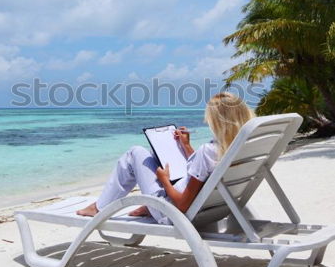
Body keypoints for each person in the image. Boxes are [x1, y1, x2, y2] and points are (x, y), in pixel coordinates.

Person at [76, 92, 255, 223]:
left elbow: (182, 205)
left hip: (171, 212)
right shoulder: (240, 147)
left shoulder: (208, 150)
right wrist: (185, 146)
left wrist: (165, 181)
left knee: (135, 153)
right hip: (213, 208)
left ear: (217, 121)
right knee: (154, 156)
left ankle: (99, 208)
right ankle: (148, 207)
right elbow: (205, 169)